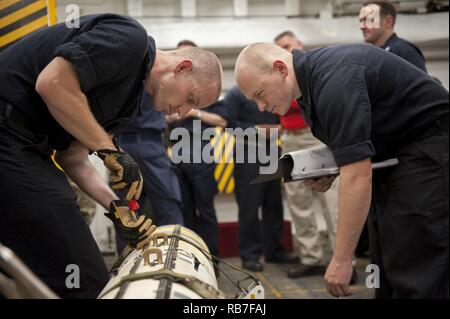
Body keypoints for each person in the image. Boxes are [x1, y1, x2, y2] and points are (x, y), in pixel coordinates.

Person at [0, 13, 222, 298]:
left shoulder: (127, 105)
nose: (182, 112)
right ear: (182, 67)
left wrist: (120, 211)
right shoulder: (130, 39)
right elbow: (53, 83)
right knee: (82, 275)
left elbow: (73, 158)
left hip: (26, 147)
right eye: (190, 99)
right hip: (8, 133)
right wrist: (110, 152)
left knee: (30, 271)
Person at [234, 43, 448, 298]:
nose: (260, 107)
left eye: (259, 94)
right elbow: (357, 142)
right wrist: (332, 168)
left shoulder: (333, 80)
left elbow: (358, 174)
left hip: (430, 153)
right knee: (388, 259)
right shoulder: (310, 85)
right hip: (399, 156)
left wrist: (341, 258)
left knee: (416, 265)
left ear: (280, 69)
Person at [274, 31, 341, 278]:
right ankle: (310, 257)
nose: (285, 50)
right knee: (297, 200)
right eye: (280, 48)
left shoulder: (310, 68)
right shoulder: (279, 73)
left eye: (288, 45)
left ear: (299, 45)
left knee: (331, 200)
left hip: (315, 136)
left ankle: (342, 259)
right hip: (290, 139)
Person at [224, 85, 299, 272]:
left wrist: (280, 128)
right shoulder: (235, 94)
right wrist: (256, 129)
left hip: (273, 152)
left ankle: (275, 251)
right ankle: (250, 255)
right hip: (247, 153)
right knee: (249, 207)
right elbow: (227, 124)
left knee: (274, 205)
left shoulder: (272, 92)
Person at [165, 40, 227, 263]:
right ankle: (191, 259)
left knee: (206, 210)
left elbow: (221, 120)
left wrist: (193, 112)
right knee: (185, 211)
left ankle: (213, 260)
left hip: (202, 157)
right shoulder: (171, 90)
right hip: (177, 159)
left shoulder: (207, 89)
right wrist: (169, 117)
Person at [359, 0, 427, 71]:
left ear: (388, 21)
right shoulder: (369, 56)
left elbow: (421, 82)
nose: (362, 27)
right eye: (360, 21)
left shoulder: (405, 51)